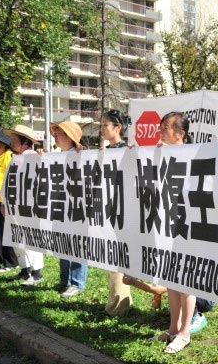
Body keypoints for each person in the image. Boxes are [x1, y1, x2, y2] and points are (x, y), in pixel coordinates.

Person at [127, 112, 213, 352]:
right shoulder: (160, 153)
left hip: (189, 226)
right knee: (172, 279)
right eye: (161, 127)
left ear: (180, 133)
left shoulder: (194, 154)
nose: (161, 132)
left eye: (166, 128)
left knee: (186, 282)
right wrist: (138, 155)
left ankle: (185, 332)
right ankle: (174, 328)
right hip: (167, 225)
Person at [50, 121, 89, 298]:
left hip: (78, 207)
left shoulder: (83, 156)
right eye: (55, 134)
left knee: (77, 245)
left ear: (70, 137)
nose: (55, 137)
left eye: (59, 134)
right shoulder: (57, 156)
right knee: (62, 243)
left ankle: (77, 282)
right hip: (60, 206)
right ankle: (64, 279)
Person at [100, 109, 133, 317]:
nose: (102, 129)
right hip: (109, 209)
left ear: (117, 128)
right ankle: (115, 302)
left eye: (105, 125)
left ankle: (119, 305)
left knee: (117, 259)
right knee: (110, 258)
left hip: (123, 211)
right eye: (101, 125)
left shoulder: (127, 151)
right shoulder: (106, 150)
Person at [3, 125, 44, 286]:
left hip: (29, 206)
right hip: (14, 205)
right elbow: (8, 182)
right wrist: (4, 201)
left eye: (14, 140)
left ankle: (36, 273)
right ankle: (25, 269)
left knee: (30, 238)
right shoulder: (15, 158)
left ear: (25, 142)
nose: (11, 143)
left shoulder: (33, 157)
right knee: (17, 237)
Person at [0, 130, 19, 272]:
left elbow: (11, 179)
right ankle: (1, 259)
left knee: (4, 232)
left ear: (2, 144)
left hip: (3, 201)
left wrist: (2, 196)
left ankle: (11, 262)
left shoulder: (8, 157)